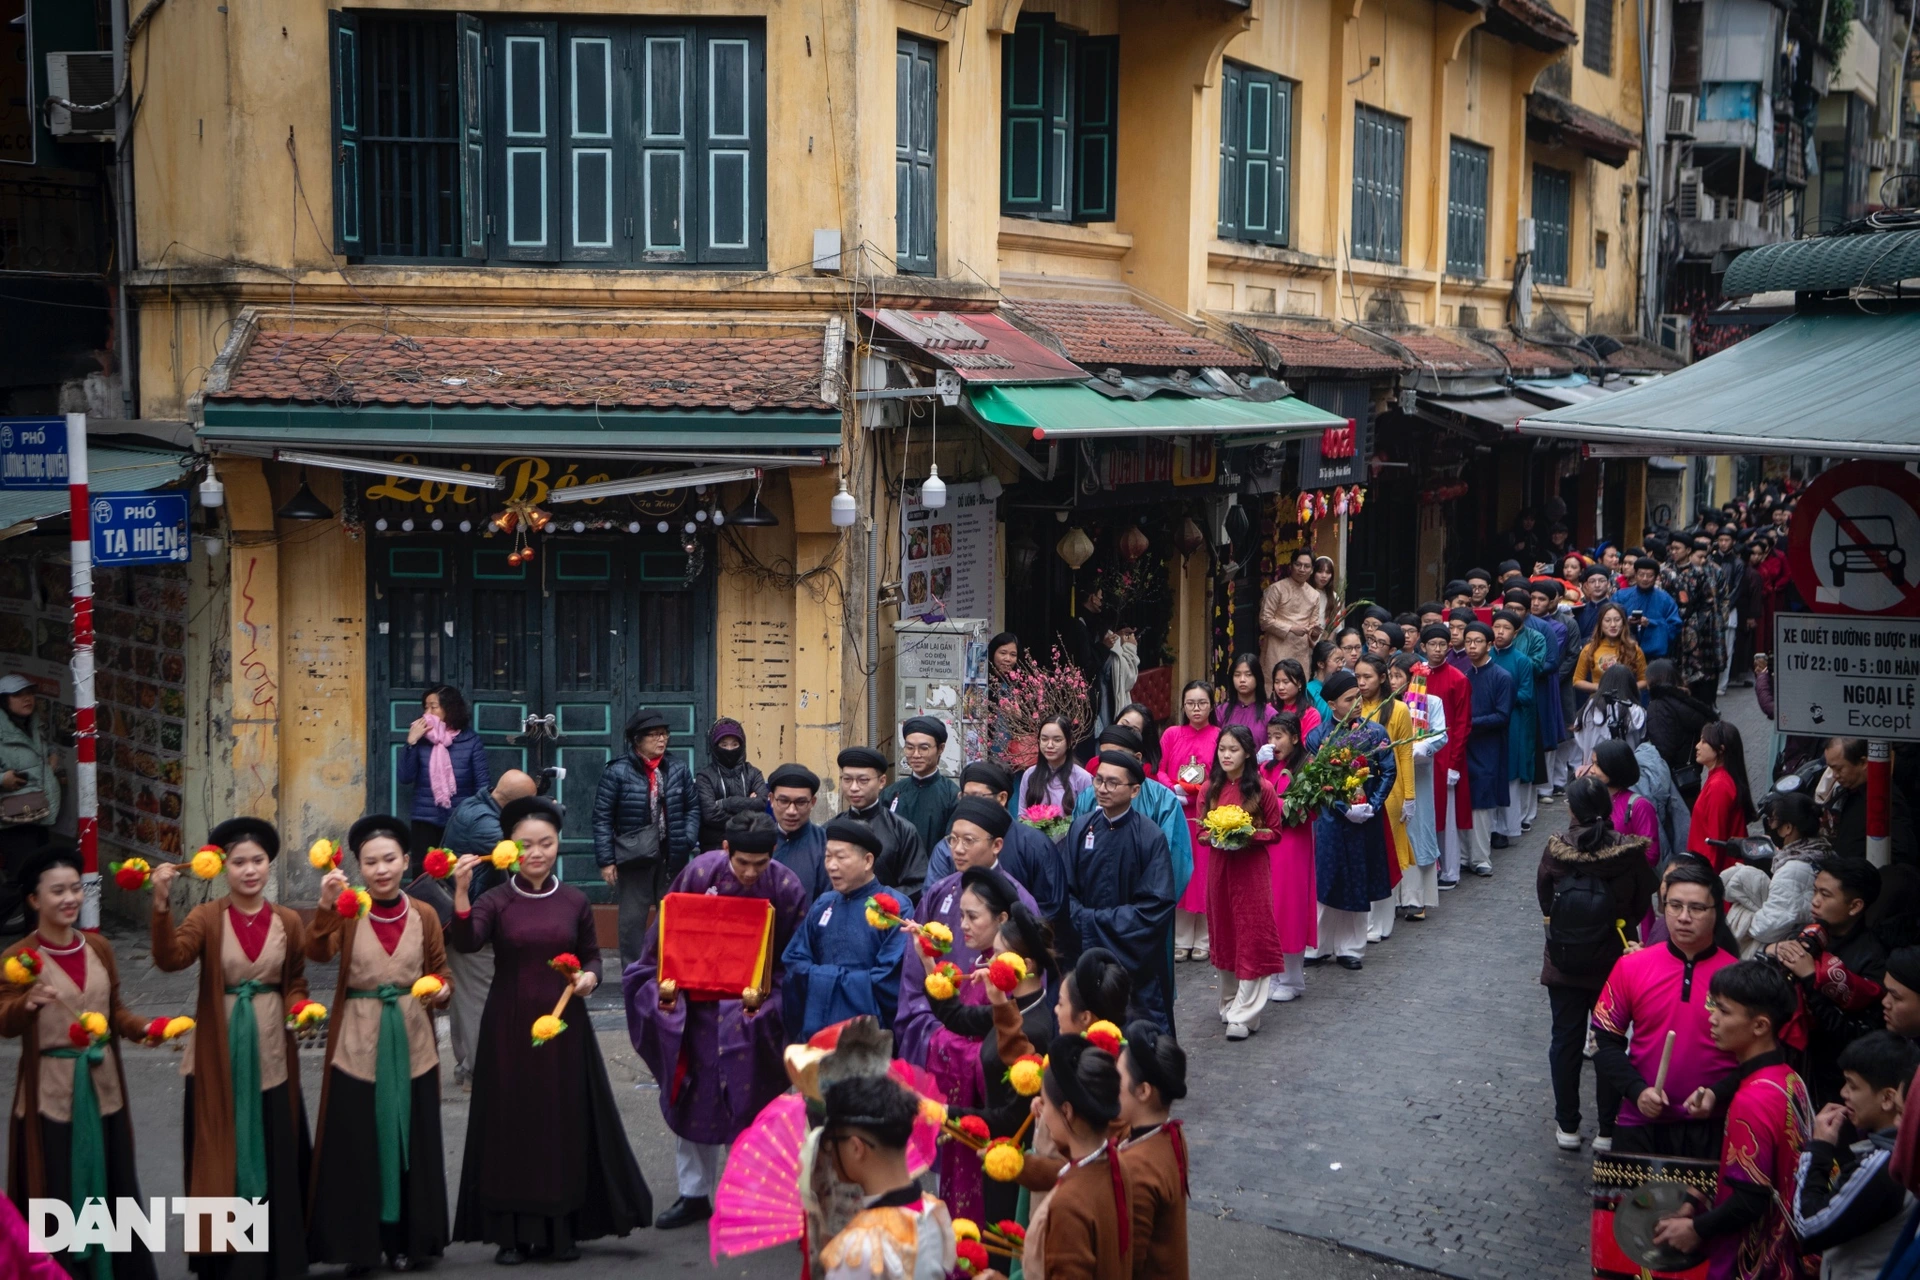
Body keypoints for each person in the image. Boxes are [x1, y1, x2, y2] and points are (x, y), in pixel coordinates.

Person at [449, 796, 651, 1263]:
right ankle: (511, 1233)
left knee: (561, 1121)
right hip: (508, 1023)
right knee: (511, 1123)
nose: (537, 852)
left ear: (558, 844)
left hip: (564, 1027)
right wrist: (460, 892)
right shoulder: (495, 899)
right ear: (510, 849)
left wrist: (590, 978)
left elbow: (593, 956)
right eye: (526, 845)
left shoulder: (575, 900)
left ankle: (563, 1229)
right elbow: (467, 939)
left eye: (546, 843)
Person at [623, 811, 808, 1231]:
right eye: (742, 862)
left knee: (750, 1104)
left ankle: (751, 1196)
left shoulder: (785, 885)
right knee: (692, 1097)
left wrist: (770, 1001)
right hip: (698, 1013)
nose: (749, 872)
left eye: (759, 864)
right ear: (726, 850)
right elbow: (664, 938)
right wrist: (665, 989)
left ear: (773, 855)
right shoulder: (699, 871)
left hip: (753, 1014)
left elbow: (794, 959)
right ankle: (693, 1194)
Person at [148, 818, 312, 1278]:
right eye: (239, 862)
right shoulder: (207, 918)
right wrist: (161, 906)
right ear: (223, 867)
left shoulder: (289, 921)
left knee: (274, 1145)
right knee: (219, 1147)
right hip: (217, 1051)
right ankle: (223, 1259)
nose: (249, 870)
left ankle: (277, 1256)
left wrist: (300, 1007)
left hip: (272, 1048)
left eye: (257, 861)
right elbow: (170, 959)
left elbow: (295, 978)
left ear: (269, 864)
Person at [0, 848, 159, 1280]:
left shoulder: (100, 948)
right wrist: (25, 1004)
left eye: (75, 888)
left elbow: (116, 1012)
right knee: (57, 1194)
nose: (70, 898)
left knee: (114, 1189)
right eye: (58, 891)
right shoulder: (19, 959)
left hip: (104, 1090)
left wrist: (145, 1028)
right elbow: (4, 1021)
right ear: (34, 900)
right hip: (52, 1095)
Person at [305, 815, 454, 1273]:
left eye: (390, 859)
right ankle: (359, 1244)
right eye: (371, 862)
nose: (382, 869)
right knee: (358, 1143)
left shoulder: (425, 914)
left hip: (412, 1040)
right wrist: (326, 906)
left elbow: (441, 973)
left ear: (407, 861)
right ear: (358, 866)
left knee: (414, 1140)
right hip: (358, 1041)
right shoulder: (350, 911)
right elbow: (316, 952)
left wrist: (441, 990)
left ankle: (411, 1240)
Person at [1653, 962, 1809, 1279]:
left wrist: (1695, 1228)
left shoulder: (1752, 1100)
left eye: (1723, 1012)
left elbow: (1750, 1201)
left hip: (1753, 1262)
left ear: (1760, 1025)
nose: (1712, 1018)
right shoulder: (1791, 1079)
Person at [923, 874, 1057, 1224]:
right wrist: (929, 964)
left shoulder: (1035, 1027)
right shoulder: (1010, 1009)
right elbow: (958, 1017)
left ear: (1024, 966)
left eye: (997, 956)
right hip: (992, 1149)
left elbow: (1013, 1116)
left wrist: (944, 1114)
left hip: (1012, 1158)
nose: (989, 964)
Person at [1538, 778, 1658, 1152]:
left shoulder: (1556, 849)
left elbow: (1545, 899)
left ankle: (1568, 1126)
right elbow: (1643, 900)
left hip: (1565, 960)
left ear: (1573, 810)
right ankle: (1608, 1129)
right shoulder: (1627, 852)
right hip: (1615, 962)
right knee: (1610, 1043)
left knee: (1565, 1040)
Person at [1591, 862, 1739, 1157]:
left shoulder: (1737, 977)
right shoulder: (1631, 967)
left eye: (1697, 908)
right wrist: (1635, 1090)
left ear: (1716, 911)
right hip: (1639, 1124)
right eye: (1674, 906)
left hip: (1712, 1126)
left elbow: (1759, 1055)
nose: (1684, 918)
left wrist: (1716, 1094)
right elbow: (1603, 1041)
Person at [895, 800, 1040, 1067]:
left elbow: (1027, 985)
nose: (958, 850)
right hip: (936, 1026)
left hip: (990, 1034)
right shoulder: (939, 893)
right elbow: (914, 973)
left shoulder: (1019, 902)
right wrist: (931, 1026)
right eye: (953, 839)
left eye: (969, 841)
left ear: (996, 845)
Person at [1061, 751, 1177, 1032]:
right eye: (1098, 780)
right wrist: (1083, 921)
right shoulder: (1080, 827)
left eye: (1113, 783)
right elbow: (1063, 890)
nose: (1102, 789)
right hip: (1085, 957)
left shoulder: (1150, 836)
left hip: (1135, 961)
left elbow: (1155, 906)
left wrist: (1093, 922)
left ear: (1135, 790)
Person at [1790, 1031, 1919, 1280]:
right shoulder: (1895, 1151)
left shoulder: (1883, 1163)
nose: (1843, 1093)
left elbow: (1807, 1228)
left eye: (1853, 1085)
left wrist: (1818, 1149)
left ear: (1888, 1098)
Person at [438, 769, 538, 1088]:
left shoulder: (477, 804)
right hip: (470, 921)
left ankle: (466, 1064)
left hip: (464, 916)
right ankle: (480, 1071)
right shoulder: (484, 823)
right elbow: (517, 856)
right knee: (479, 998)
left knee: (466, 996)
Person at [1765, 857, 1889, 1107]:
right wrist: (1771, 950)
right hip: (1788, 1065)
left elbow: (1856, 1034)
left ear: (1854, 906)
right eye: (1814, 891)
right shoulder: (1806, 934)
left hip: (1835, 1083)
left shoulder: (1873, 959)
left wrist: (1811, 979)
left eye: (1825, 894)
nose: (1815, 901)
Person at [782, 815, 915, 1041]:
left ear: (868, 860)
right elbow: (795, 959)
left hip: (868, 1033)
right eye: (828, 857)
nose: (831, 866)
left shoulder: (894, 907)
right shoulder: (824, 903)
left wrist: (823, 980)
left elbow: (888, 979)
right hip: (817, 1027)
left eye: (841, 857)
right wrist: (832, 979)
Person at [814, 1075, 959, 1280]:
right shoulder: (934, 1213)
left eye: (833, 1141)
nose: (830, 1153)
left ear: (856, 1147)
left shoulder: (857, 1250)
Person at [1020, 1033, 1134, 1280]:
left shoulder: (1069, 1204)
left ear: (1067, 1111)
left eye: (1046, 1105)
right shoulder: (1115, 1163)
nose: (1042, 1114)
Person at [1199, 725, 1288, 1040]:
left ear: (1248, 752)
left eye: (1233, 749)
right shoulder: (1209, 787)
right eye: (1222, 749)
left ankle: (1246, 1013)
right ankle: (1229, 1002)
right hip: (1219, 869)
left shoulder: (1263, 789)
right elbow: (1200, 832)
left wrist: (1246, 836)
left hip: (1251, 870)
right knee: (1224, 932)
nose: (1226, 755)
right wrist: (1216, 837)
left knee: (1252, 933)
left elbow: (1275, 832)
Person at [1302, 671, 1394, 972]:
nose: (1357, 703)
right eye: (1348, 699)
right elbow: (1316, 780)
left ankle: (1351, 947)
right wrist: (1343, 807)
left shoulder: (1375, 732)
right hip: (1330, 818)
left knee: (1357, 879)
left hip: (1364, 819)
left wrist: (1372, 804)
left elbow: (1388, 771)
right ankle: (1318, 945)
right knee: (1326, 880)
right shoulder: (1317, 737)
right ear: (1331, 704)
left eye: (1358, 696)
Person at [594, 708, 701, 966]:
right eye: (653, 735)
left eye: (664, 734)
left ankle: (671, 969)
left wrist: (687, 838)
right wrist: (606, 860)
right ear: (637, 740)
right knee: (632, 919)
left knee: (672, 914)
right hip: (634, 855)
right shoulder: (617, 772)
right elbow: (602, 818)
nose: (661, 740)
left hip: (671, 852)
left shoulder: (677, 768)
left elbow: (693, 807)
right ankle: (633, 972)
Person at [925, 761, 1065, 918]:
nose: (970, 803)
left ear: (1002, 798)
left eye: (977, 796)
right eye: (965, 796)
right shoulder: (947, 846)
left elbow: (1051, 910)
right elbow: (932, 902)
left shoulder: (1035, 845)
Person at [1117, 1023, 1190, 1280]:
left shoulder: (1137, 1168)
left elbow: (1127, 1263)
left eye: (1118, 1078)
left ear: (1144, 1091)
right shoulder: (1169, 1135)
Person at [396, 685, 491, 871]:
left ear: (450, 709)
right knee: (424, 874)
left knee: (458, 873)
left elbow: (482, 785)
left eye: (433, 707)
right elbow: (405, 777)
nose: (427, 712)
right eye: (425, 707)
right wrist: (411, 743)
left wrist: (476, 817)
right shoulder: (421, 740)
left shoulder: (470, 740)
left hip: (460, 820)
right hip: (425, 818)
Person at [1259, 713, 1317, 1003]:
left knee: (1289, 907)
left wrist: (1273, 802)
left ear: (1295, 738)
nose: (1274, 742)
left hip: (1293, 844)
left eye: (1279, 736)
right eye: (1270, 737)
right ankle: (1273, 973)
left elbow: (1308, 808)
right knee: (1270, 908)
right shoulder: (1267, 767)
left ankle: (1293, 977)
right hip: (1270, 843)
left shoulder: (1306, 766)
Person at [1159, 683, 1219, 964]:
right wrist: (1172, 788)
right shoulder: (1172, 734)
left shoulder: (1219, 736)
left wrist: (1199, 790)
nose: (1196, 709)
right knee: (1181, 873)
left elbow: (1223, 772)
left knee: (1205, 877)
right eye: (1191, 703)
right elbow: (1159, 768)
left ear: (1211, 705)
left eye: (1202, 703)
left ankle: (1205, 939)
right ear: (1183, 706)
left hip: (1207, 815)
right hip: (1179, 814)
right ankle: (1180, 938)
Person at [1354, 655, 1413, 943]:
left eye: (1367, 677)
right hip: (1356, 788)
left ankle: (1383, 921)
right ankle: (1362, 921)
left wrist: (1409, 796)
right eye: (1358, 678)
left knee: (1384, 856)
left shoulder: (1398, 710)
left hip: (1388, 790)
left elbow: (1405, 754)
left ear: (1382, 678)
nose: (1362, 683)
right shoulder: (1352, 708)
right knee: (1363, 856)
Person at [1388, 653, 1447, 921]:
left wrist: (1418, 748)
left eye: (1398, 676)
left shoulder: (1431, 702)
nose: (1392, 681)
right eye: (1389, 676)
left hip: (1418, 774)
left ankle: (1415, 898)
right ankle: (1393, 898)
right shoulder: (1387, 704)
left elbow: (1440, 734)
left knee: (1417, 830)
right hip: (1390, 777)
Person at [1414, 625, 1472, 888]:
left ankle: (1450, 870)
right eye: (1432, 644)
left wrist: (1455, 763)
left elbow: (1461, 724)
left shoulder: (1458, 679)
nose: (1437, 650)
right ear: (1423, 646)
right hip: (1418, 751)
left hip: (1446, 754)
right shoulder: (1415, 675)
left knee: (1446, 815)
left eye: (1442, 645)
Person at [0, 674, 60, 929]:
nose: (27, 699)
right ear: (4, 700)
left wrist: (53, 761)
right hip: (12, 818)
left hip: (39, 812)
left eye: (30, 693)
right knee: (21, 879)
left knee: (37, 876)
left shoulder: (36, 724)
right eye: (18, 695)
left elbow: (46, 753)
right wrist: (2, 778)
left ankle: (36, 931)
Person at [837, 747, 928, 898]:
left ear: (881, 782)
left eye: (863, 780)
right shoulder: (832, 829)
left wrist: (879, 901)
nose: (853, 788)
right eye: (847, 780)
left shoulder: (902, 830)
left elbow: (918, 884)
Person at [1746, 792, 1833, 949]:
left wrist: (1742, 915)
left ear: (1787, 828)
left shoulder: (1793, 870)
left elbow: (1765, 928)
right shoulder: (1824, 850)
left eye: (1772, 820)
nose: (1770, 826)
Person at [1461, 622, 1515, 868]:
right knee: (1463, 801)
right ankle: (1462, 856)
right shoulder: (1464, 675)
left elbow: (1502, 716)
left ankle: (1481, 857)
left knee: (1482, 804)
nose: (1472, 646)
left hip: (1489, 747)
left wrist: (1469, 723)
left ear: (1490, 644)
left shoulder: (1501, 677)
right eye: (1468, 641)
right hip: (1465, 745)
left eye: (1478, 641)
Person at [1825, 738, 1920, 866]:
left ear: (1863, 762)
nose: (1834, 775)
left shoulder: (1885, 800)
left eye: (1839, 769)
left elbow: (1901, 851)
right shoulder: (1843, 794)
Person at [1487, 610, 1540, 840]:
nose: (1500, 632)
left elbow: (1527, 695)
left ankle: (1507, 828)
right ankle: (1489, 826)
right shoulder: (1486, 656)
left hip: (1513, 722)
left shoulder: (1522, 661)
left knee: (1509, 773)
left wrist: (1500, 698)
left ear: (1516, 631)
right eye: (1496, 626)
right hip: (1488, 722)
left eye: (1506, 628)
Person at [881, 716, 960, 859]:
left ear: (940, 748)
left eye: (924, 748)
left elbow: (951, 847)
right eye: (910, 748)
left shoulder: (952, 796)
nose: (915, 755)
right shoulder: (891, 794)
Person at [1646, 660, 1719, 807]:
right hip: (1690, 775)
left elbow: (1663, 750)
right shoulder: (1687, 701)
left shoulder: (1658, 706)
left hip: (1672, 781)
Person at [1688, 721, 1755, 872]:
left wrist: (1705, 880)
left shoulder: (1719, 786)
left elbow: (1715, 842)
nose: (1697, 746)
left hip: (1717, 874)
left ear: (1721, 750)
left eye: (1704, 742)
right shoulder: (1719, 779)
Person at [692, 717, 767, 854]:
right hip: (714, 846)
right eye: (724, 745)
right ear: (715, 747)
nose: (729, 749)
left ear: (742, 745)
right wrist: (748, 806)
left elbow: (761, 803)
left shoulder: (753, 773)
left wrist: (726, 803)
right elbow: (710, 815)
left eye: (734, 744)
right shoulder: (705, 777)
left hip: (749, 843)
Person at [1672, 538, 1727, 704]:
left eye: (1705, 556)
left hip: (1706, 632)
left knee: (1705, 677)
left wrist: (1711, 621)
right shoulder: (1668, 573)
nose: (1703, 560)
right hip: (1678, 631)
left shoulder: (1709, 573)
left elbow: (1718, 601)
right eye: (1700, 556)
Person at [767, 762, 830, 902]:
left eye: (800, 803)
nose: (791, 811)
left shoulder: (826, 845)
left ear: (812, 802)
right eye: (783, 801)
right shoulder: (758, 841)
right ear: (771, 799)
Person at [1585, 739, 1662, 851]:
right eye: (1592, 763)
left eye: (1598, 765)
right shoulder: (1592, 799)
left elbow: (1650, 853)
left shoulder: (1639, 805)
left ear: (1614, 766)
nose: (1592, 770)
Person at [1259, 549, 1323, 682]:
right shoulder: (1277, 589)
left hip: (1301, 652)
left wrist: (1315, 633)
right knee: (1275, 688)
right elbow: (1264, 620)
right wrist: (1291, 628)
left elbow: (1312, 628)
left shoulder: (1314, 595)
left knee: (1298, 691)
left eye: (1306, 566)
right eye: (1298, 565)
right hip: (1276, 649)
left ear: (1312, 570)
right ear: (1291, 566)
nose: (1301, 569)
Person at [1019, 716, 1094, 819]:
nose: (1049, 745)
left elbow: (1088, 818)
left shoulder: (1082, 777)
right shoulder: (1029, 774)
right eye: (1044, 739)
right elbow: (1022, 815)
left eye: (1057, 740)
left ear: (1069, 742)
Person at [1573, 603, 1648, 696]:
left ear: (1623, 623)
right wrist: (1599, 687)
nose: (1613, 625)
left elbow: (1645, 680)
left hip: (1626, 702)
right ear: (1600, 623)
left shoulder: (1634, 649)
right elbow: (1577, 680)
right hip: (1598, 702)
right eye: (1607, 620)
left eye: (1617, 620)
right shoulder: (1590, 649)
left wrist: (1627, 688)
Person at [1615, 557, 1681, 659]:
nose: (1645, 578)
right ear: (1635, 575)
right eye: (1641, 574)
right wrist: (1626, 623)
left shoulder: (1665, 599)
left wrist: (1651, 624)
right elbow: (1609, 620)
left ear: (1656, 577)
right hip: (1624, 654)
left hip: (1655, 658)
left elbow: (1675, 626)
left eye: (1650, 575)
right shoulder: (1621, 596)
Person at [1215, 654, 1271, 738]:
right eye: (1237, 675)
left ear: (1257, 677)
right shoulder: (1221, 712)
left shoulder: (1269, 714)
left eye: (1248, 675)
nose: (1242, 680)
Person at [1268, 658, 1322, 740]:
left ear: (1299, 684)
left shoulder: (1311, 715)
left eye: (1286, 682)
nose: (1280, 687)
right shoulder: (1269, 709)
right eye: (1277, 682)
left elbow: (1307, 747)